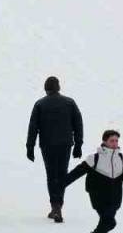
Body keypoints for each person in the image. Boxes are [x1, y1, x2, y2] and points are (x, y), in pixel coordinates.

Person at [27, 75, 84, 223]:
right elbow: (78, 124)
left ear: (46, 89)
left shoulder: (40, 104)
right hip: (65, 144)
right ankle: (59, 204)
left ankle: (55, 206)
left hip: (47, 145)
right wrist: (78, 145)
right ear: (58, 88)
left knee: (51, 174)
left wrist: (30, 147)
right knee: (62, 174)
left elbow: (33, 127)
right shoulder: (70, 103)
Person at [64, 129, 123, 232]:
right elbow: (76, 173)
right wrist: (61, 184)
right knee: (110, 223)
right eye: (112, 141)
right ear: (105, 142)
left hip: (115, 198)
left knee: (105, 223)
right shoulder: (94, 158)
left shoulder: (122, 158)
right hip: (99, 197)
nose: (115, 143)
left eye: (116, 141)